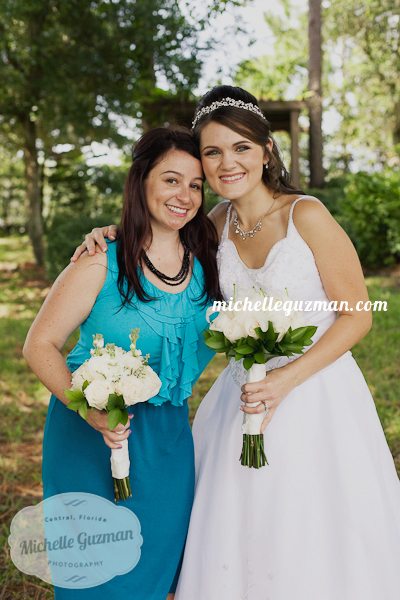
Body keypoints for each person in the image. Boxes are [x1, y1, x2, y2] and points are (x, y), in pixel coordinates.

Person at [72, 86, 400, 600]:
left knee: (310, 522)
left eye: (241, 147)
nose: (228, 163)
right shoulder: (213, 225)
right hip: (241, 393)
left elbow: (358, 316)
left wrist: (285, 381)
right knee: (239, 523)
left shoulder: (307, 215)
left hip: (316, 390)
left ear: (266, 150)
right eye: (213, 151)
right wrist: (112, 232)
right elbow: (160, 235)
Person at [23, 127, 221, 600]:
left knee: (158, 570)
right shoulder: (100, 260)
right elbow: (39, 344)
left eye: (195, 185)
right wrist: (89, 410)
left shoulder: (209, 264)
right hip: (89, 433)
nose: (185, 195)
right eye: (171, 180)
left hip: (168, 440)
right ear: (141, 181)